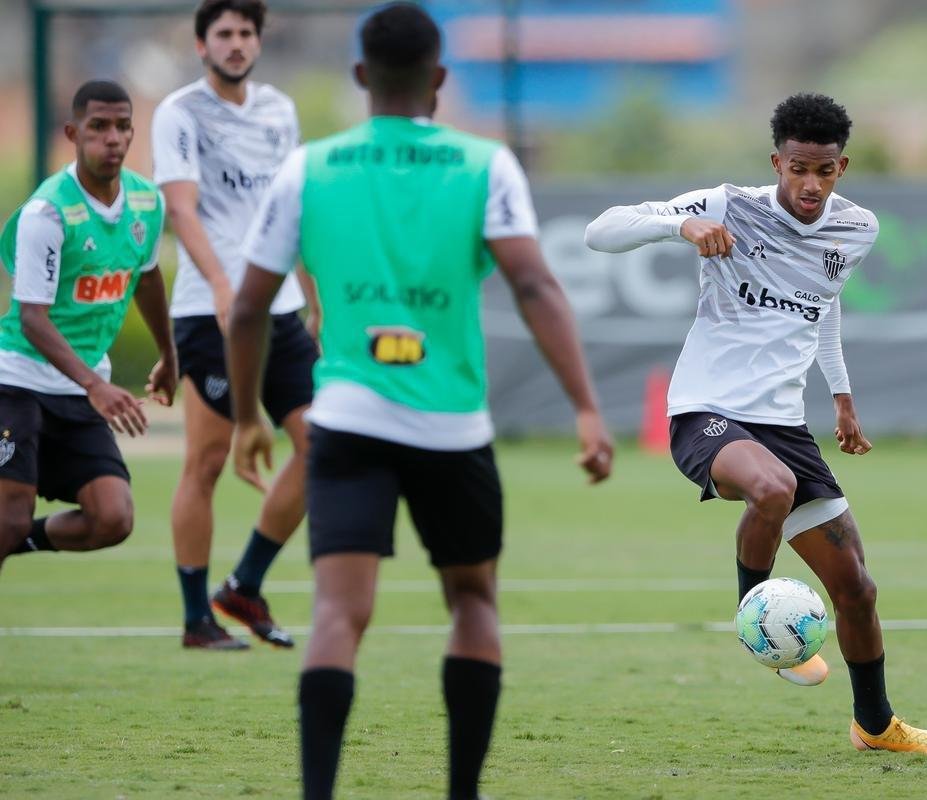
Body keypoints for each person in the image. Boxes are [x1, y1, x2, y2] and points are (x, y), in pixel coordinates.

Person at [226, 3, 614, 798]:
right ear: (440, 79)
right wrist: (585, 406)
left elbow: (246, 309)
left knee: (339, 614)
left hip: (345, 424)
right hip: (452, 428)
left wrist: (243, 419)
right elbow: (535, 283)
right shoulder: (488, 164)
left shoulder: (309, 167)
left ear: (361, 76)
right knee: (473, 601)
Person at [585, 92, 927, 755]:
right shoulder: (729, 205)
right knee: (771, 488)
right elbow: (602, 229)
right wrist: (679, 227)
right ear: (777, 161)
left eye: (825, 170)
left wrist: (840, 395)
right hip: (708, 410)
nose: (810, 184)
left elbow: (824, 303)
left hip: (786, 425)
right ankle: (755, 615)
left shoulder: (856, 229)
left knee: (858, 590)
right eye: (798, 168)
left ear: (842, 167)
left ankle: (875, 726)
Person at [151, 0, 320, 650]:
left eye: (246, 32)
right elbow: (182, 212)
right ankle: (197, 618)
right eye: (223, 33)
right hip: (208, 309)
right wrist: (225, 287)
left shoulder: (279, 109)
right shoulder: (179, 113)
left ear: (258, 41)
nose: (236, 42)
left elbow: (291, 206)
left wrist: (311, 291)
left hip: (278, 313)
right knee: (207, 462)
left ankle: (243, 584)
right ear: (202, 45)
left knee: (319, 447)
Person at [0, 80, 175, 573]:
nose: (112, 138)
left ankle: (18, 539)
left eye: (122, 127)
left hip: (76, 391)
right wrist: (97, 385)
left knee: (112, 517)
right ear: (74, 133)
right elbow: (33, 318)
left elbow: (147, 278)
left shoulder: (146, 204)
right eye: (99, 127)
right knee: (6, 518)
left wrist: (169, 354)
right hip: (16, 382)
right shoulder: (47, 212)